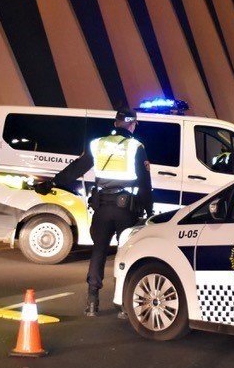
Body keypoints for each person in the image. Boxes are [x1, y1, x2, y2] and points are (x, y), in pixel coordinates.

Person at [42, 108, 152, 316]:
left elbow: (76, 168)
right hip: (125, 210)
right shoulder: (136, 146)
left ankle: (92, 301)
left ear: (115, 123)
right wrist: (148, 209)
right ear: (132, 124)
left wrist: (52, 183)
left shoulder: (97, 144)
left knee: (99, 251)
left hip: (102, 208)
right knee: (125, 254)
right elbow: (146, 183)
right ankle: (122, 306)